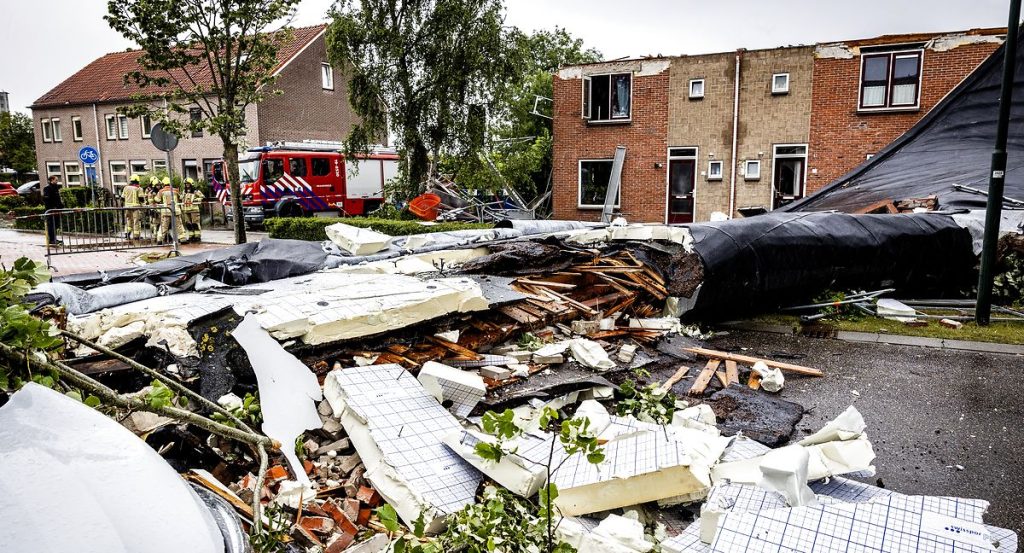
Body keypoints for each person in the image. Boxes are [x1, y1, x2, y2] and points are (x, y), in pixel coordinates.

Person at [156, 177, 185, 245]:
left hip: (166, 211)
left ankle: (160, 239)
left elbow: (157, 200)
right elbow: (181, 197)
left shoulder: (161, 191)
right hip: (175, 210)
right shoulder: (175, 190)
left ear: (163, 184)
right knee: (179, 225)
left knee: (164, 226)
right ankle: (183, 238)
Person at [42, 175, 64, 244]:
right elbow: (47, 199)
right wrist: (52, 208)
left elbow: (58, 199)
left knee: (56, 225)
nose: (57, 181)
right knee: (51, 225)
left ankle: (54, 238)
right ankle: (51, 239)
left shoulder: (56, 188)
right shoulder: (47, 188)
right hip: (51, 210)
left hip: (57, 210)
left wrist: (61, 206)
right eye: (56, 180)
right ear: (52, 180)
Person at [122, 175, 143, 240]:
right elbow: (141, 198)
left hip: (127, 207)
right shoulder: (138, 188)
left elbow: (122, 198)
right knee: (136, 221)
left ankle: (127, 234)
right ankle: (136, 236)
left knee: (129, 220)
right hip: (136, 207)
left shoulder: (126, 188)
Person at [181, 178, 203, 243]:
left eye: (188, 184)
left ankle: (197, 236)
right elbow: (182, 199)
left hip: (194, 209)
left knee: (195, 223)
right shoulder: (184, 191)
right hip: (186, 210)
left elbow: (202, 197)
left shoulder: (196, 191)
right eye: (186, 184)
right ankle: (191, 236)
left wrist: (196, 200)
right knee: (188, 224)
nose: (187, 185)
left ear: (191, 184)